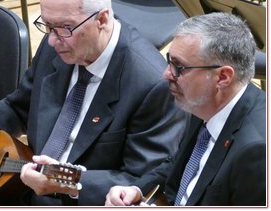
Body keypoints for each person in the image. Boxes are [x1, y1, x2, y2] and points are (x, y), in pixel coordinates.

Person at [0, 0, 185, 206]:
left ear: (102, 19)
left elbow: (140, 181)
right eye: (47, 26)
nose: (52, 40)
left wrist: (68, 184)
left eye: (65, 28)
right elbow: (18, 106)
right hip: (20, 190)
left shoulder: (151, 84)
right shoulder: (59, 44)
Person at [105, 12, 265, 206]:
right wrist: (136, 189)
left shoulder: (256, 153)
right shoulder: (204, 102)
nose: (167, 74)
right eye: (170, 61)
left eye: (179, 67)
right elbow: (178, 162)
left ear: (222, 77)